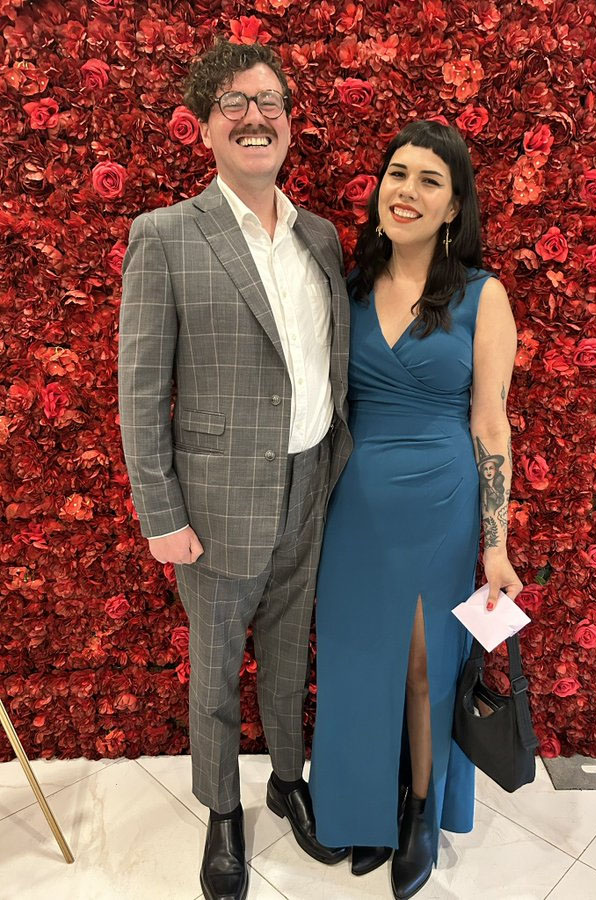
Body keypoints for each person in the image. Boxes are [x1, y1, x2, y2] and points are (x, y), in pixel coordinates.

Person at [118, 40, 352, 900]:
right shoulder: (166, 236)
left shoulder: (320, 237)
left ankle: (287, 782)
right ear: (206, 128)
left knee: (291, 650)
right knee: (216, 665)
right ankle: (223, 811)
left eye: (268, 104)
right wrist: (160, 513)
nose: (254, 118)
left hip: (310, 485)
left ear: (289, 124)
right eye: (233, 104)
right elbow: (140, 392)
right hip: (213, 505)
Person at [309, 120, 523, 900]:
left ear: (453, 206)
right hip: (352, 504)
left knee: (424, 667)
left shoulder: (481, 294)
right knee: (355, 661)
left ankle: (420, 811)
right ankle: (360, 810)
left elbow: (491, 423)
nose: (406, 190)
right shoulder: (348, 284)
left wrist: (495, 545)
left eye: (429, 180)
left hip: (440, 500)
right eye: (396, 173)